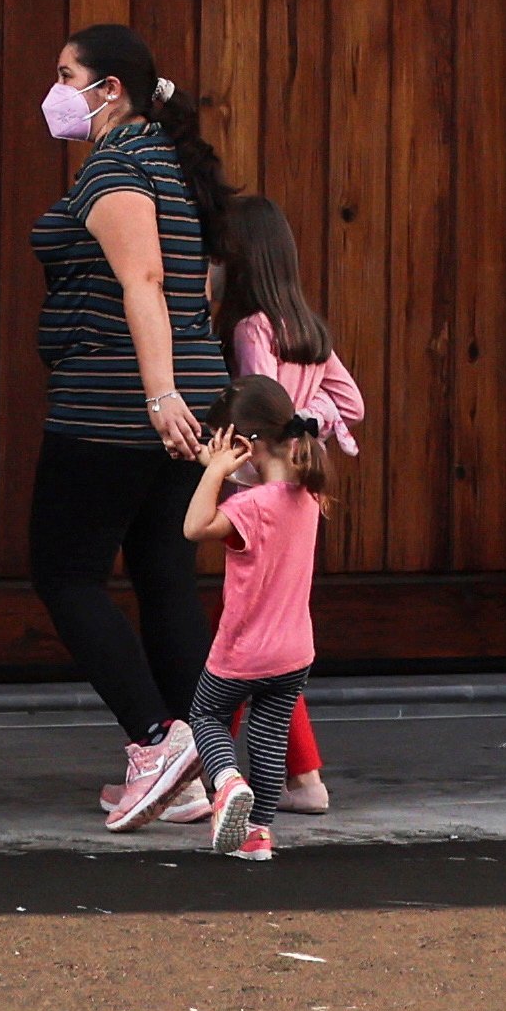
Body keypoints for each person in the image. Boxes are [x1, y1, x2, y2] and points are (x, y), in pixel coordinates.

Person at [22, 22, 236, 833]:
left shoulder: (117, 164)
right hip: (185, 399)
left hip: (113, 403)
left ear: (108, 88)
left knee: (66, 571)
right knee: (163, 574)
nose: (56, 90)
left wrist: (157, 392)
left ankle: (157, 743)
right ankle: (203, 769)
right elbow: (199, 283)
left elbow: (142, 278)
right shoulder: (171, 160)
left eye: (65, 73)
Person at [210, 196, 361, 813]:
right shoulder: (308, 329)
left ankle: (220, 772)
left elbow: (258, 402)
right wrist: (312, 420)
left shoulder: (253, 328)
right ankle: (303, 780)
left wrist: (286, 422)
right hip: (299, 493)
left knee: (248, 637)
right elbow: (349, 405)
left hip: (253, 491)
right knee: (278, 631)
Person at [178, 369, 333, 861]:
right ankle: (258, 834)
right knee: (268, 741)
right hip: (294, 654)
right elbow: (257, 500)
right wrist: (219, 467)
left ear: (244, 444)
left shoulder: (252, 506)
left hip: (241, 653)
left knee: (207, 715)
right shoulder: (307, 494)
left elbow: (194, 526)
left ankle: (225, 783)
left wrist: (212, 471)